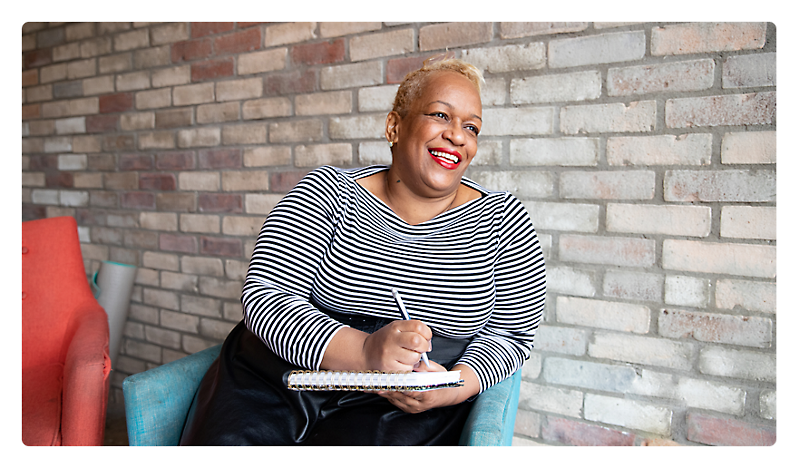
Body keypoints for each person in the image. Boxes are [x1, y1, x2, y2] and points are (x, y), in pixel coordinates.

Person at [179, 56, 547, 445]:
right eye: (440, 115)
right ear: (395, 126)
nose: (457, 135)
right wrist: (367, 351)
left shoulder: (504, 219)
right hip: (279, 381)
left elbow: (511, 337)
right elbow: (264, 299)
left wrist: (452, 387)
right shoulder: (326, 190)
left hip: (402, 407)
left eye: (471, 127)